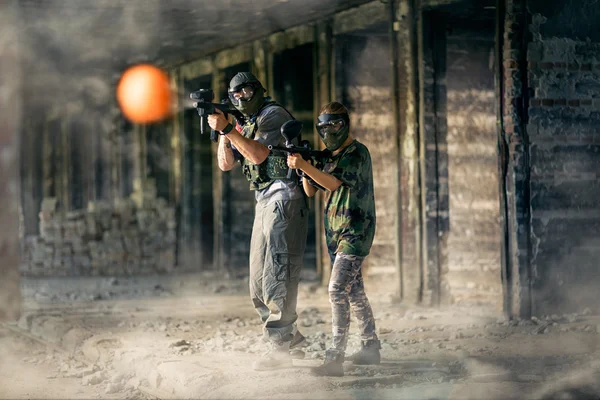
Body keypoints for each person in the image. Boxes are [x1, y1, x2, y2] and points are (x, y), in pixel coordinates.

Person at [207, 72, 308, 371]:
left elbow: (259, 155)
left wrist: (229, 128)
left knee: (277, 274)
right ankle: (290, 339)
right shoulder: (245, 123)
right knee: (256, 284)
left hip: (284, 197)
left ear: (259, 90)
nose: (242, 98)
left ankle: (279, 349)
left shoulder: (272, 115)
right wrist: (223, 130)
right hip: (263, 201)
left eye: (247, 92)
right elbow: (225, 165)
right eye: (236, 95)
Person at [286, 101, 380, 377]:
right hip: (337, 233)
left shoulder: (356, 153)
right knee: (354, 291)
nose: (329, 131)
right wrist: (303, 166)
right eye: (324, 127)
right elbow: (311, 190)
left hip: (355, 230)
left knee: (336, 290)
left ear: (345, 124)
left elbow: (332, 183)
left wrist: (305, 163)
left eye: (334, 125)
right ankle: (370, 347)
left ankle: (334, 358)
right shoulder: (328, 156)